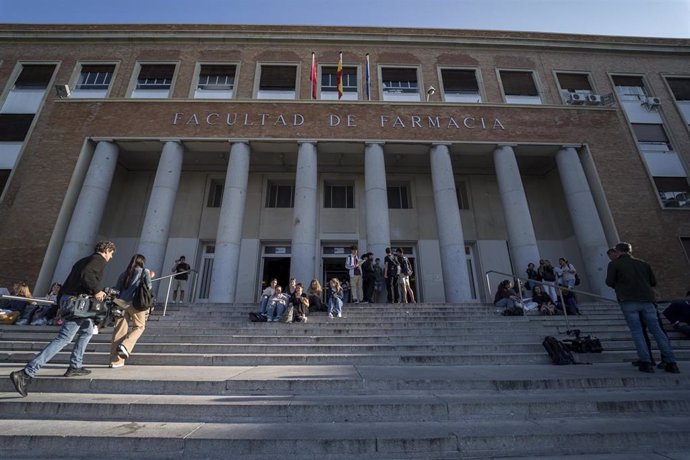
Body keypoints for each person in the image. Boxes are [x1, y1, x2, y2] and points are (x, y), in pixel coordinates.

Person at [10, 240, 116, 397]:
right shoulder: (97, 260)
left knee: (87, 330)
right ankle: (26, 373)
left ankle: (75, 365)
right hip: (77, 304)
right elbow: (87, 275)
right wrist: (97, 291)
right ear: (106, 250)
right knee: (65, 338)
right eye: (111, 253)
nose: (111, 257)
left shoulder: (83, 260)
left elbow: (69, 282)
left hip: (69, 301)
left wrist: (61, 303)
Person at [605, 241, 680, 374]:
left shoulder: (614, 264)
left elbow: (609, 282)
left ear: (618, 251)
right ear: (630, 251)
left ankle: (646, 362)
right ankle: (671, 362)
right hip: (647, 300)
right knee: (657, 331)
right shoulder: (643, 264)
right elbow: (653, 282)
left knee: (637, 332)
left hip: (628, 301)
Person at [109, 254, 153, 368]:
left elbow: (117, 289)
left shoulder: (124, 274)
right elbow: (148, 287)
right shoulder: (144, 271)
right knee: (139, 326)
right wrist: (150, 277)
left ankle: (115, 361)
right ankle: (125, 346)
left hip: (120, 303)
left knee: (119, 331)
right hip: (135, 303)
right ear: (142, 262)